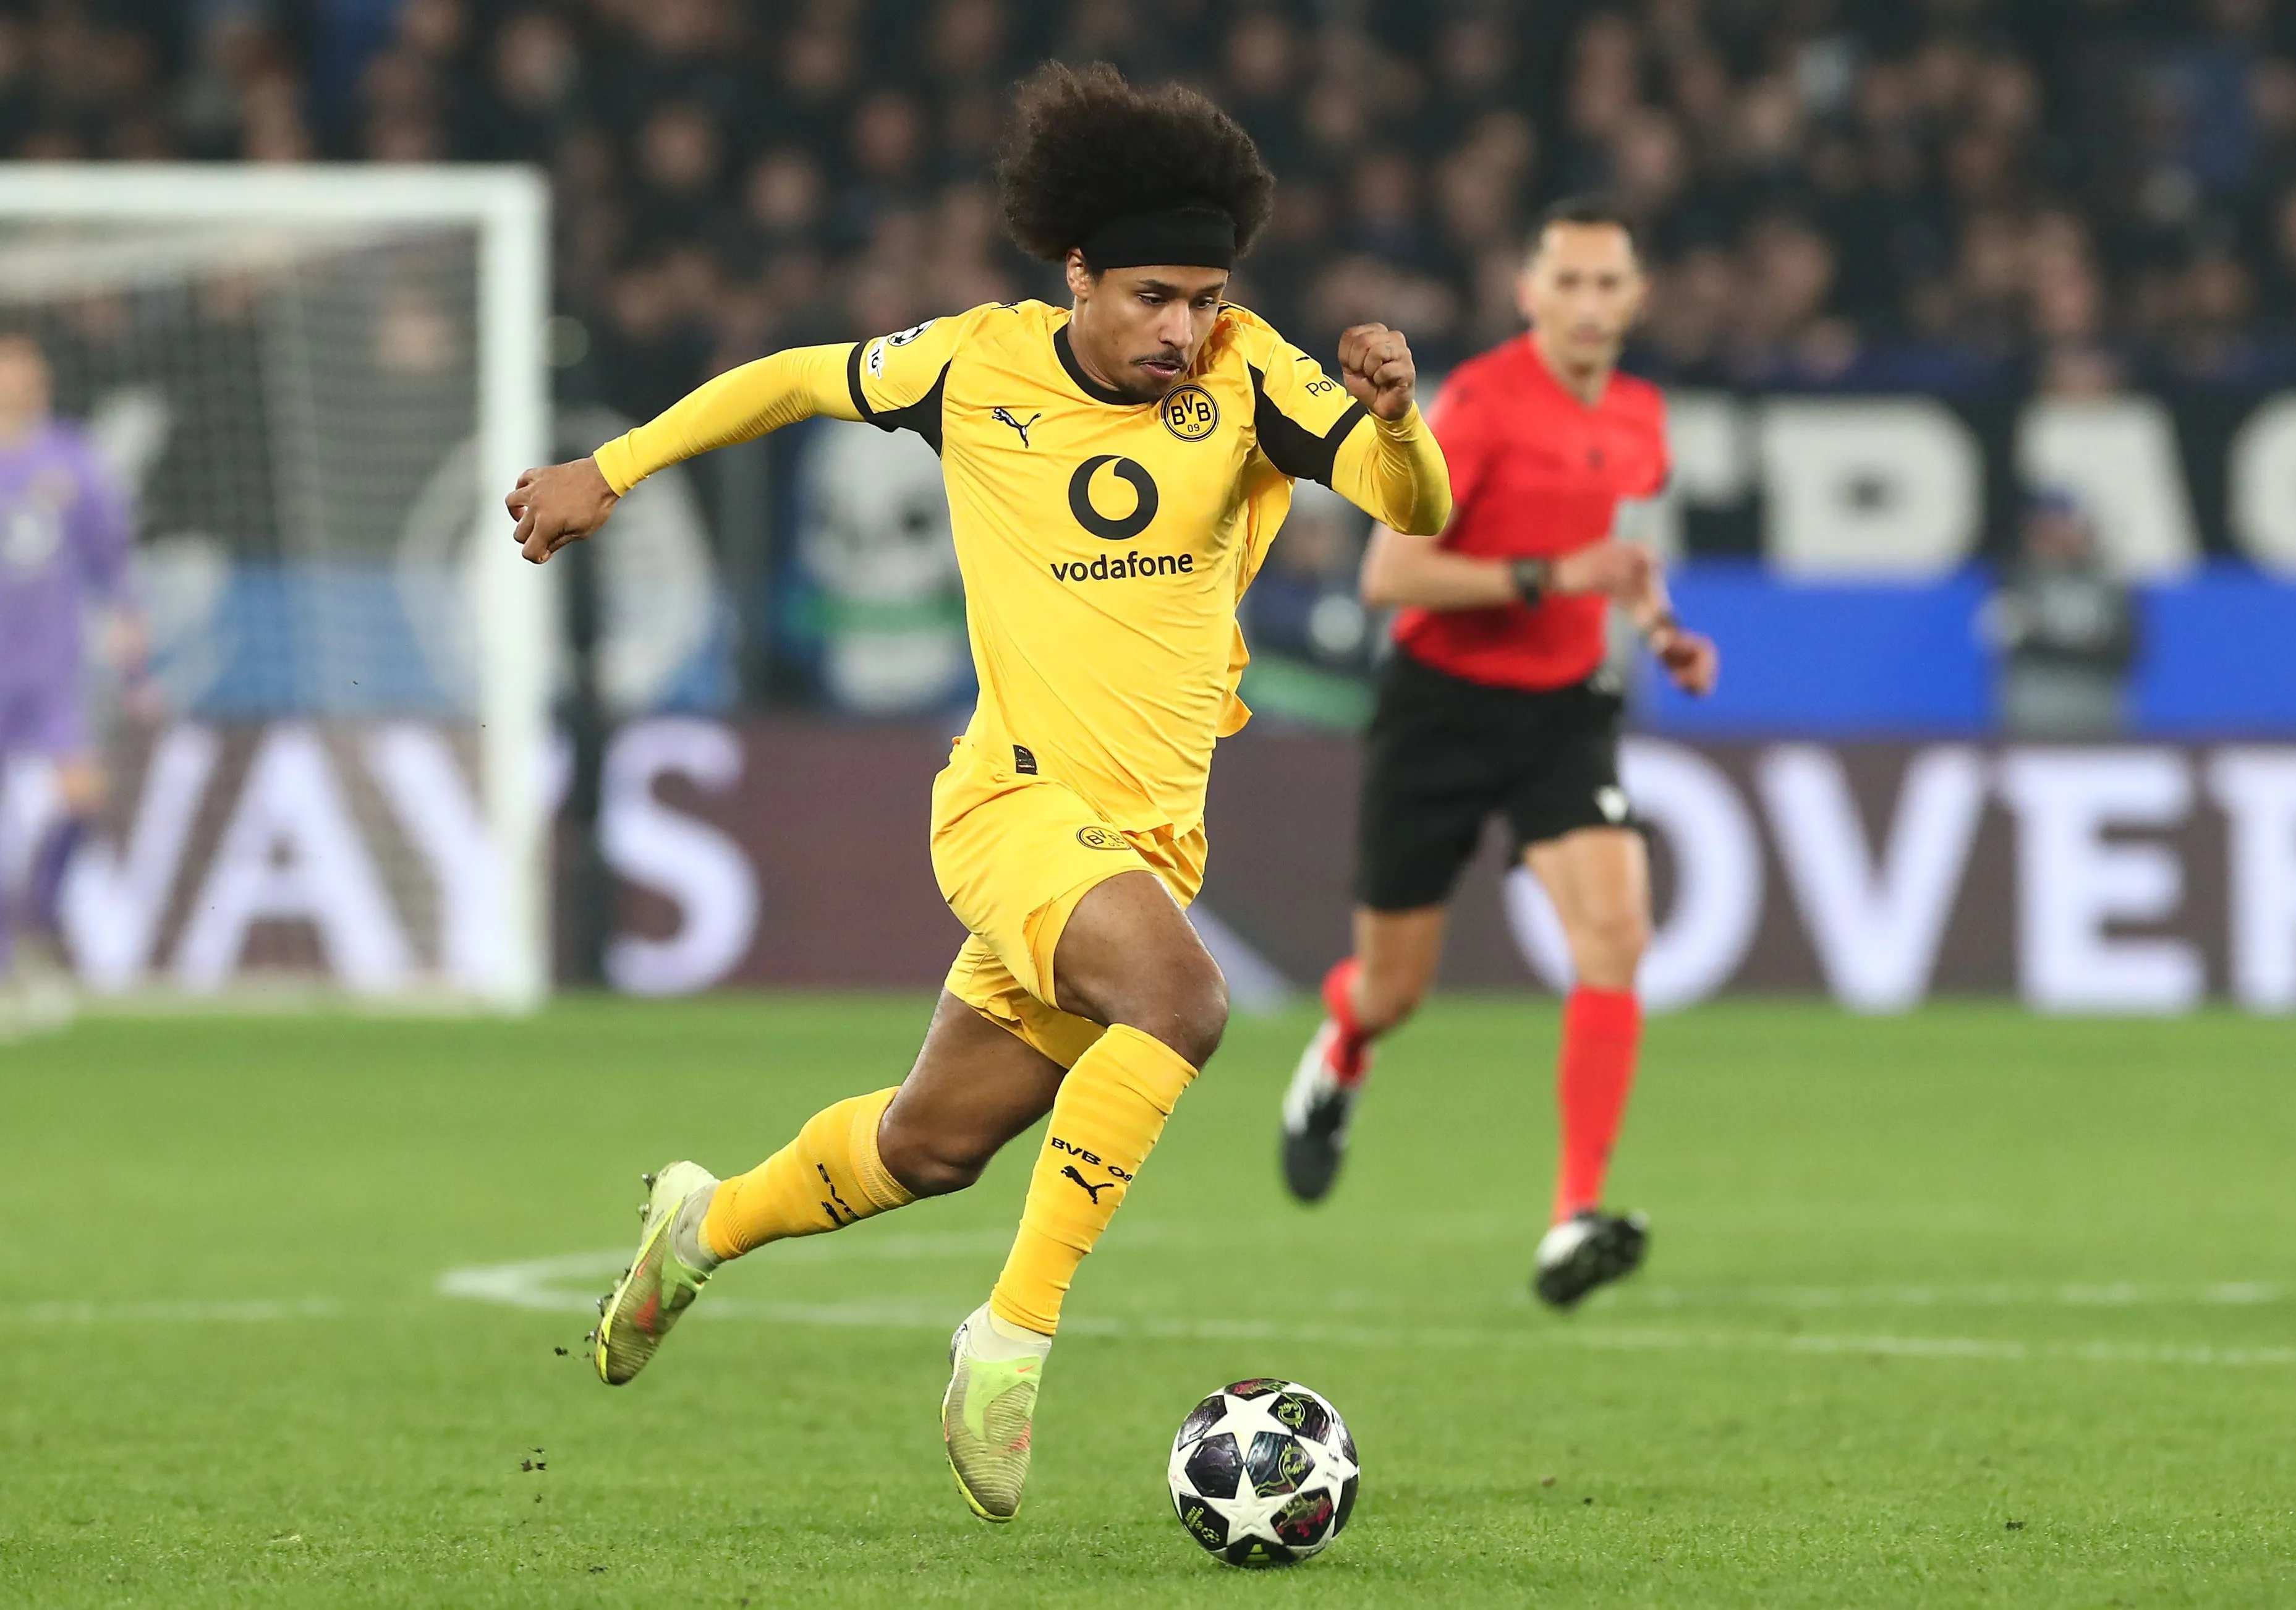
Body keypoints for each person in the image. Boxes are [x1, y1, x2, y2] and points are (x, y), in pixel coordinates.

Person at [503, 62, 1450, 1523]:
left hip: (1145, 844)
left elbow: (1413, 508)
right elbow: (793, 378)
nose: (1181, 330)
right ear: (1076, 275)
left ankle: (700, 1226)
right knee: (1182, 1006)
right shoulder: (973, 366)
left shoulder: (1252, 375)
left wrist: (1398, 420)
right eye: (1151, 297)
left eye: (1202, 299)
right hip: (1009, 808)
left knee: (930, 1146)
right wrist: (611, 470)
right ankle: (1007, 1344)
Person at [1274, 197, 1718, 1311]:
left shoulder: (1640, 415)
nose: (1587, 303)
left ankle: (1573, 1216)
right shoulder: (1476, 404)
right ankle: (1343, 1047)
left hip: (1561, 710)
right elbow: (1388, 578)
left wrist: (1660, 627)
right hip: (1439, 709)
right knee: (1394, 987)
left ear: (1635, 297)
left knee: (1614, 934)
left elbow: (1617, 553)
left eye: (1606, 282)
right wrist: (1543, 578)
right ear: (1527, 294)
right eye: (1566, 281)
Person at [0, 331, 140, 1019]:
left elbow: (111, 554)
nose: (15, 385)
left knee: (81, 800)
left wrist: (129, 619)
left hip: (53, 668)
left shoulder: (72, 459)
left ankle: (33, 932)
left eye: (24, 374)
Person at [1986, 488, 2138, 738]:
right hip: (2033, 722)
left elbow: (2125, 648)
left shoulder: (2109, 585)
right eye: (2047, 529)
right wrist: (2083, 643)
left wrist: (2048, 637)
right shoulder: (2014, 582)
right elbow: (2008, 640)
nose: (2056, 537)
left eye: (2063, 527)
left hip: (2096, 719)